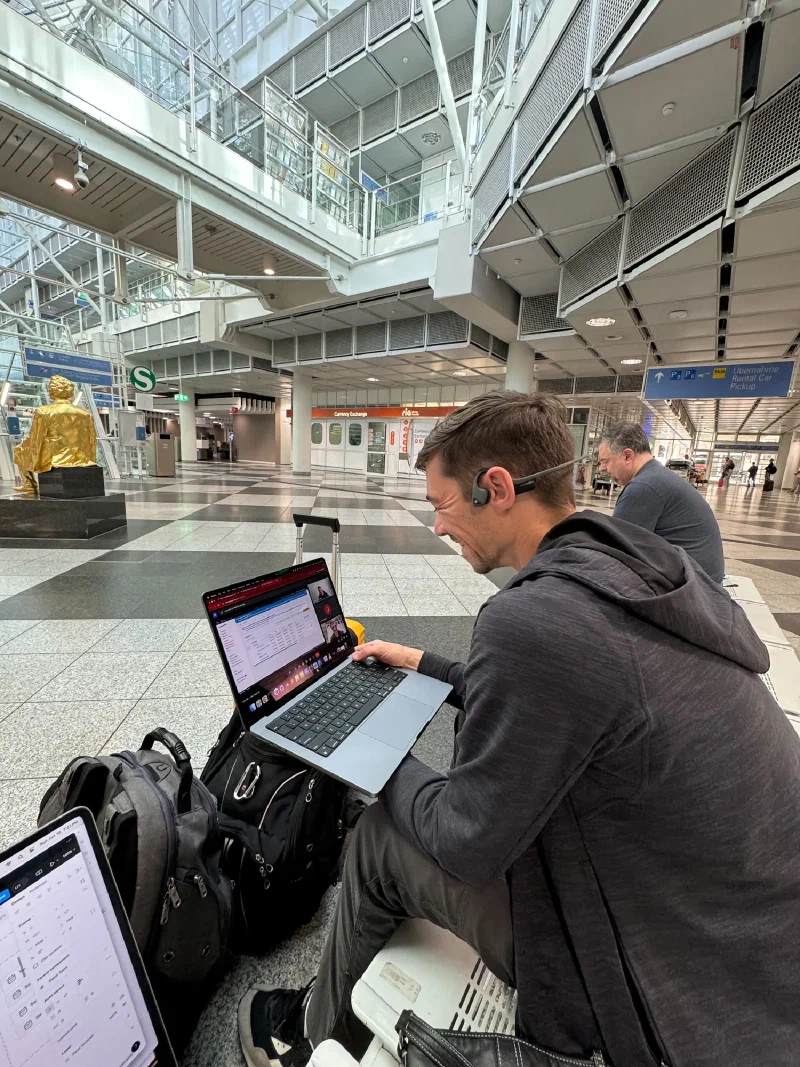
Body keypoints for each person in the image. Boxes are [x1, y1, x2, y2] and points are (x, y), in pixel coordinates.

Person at [239, 391, 800, 1067]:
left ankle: (309, 1033)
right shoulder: (635, 567)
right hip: (745, 945)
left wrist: (364, 755)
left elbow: (466, 841)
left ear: (495, 487)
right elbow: (570, 699)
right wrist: (424, 664)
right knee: (447, 791)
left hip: (653, 982)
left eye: (442, 504)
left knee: (385, 832)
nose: (438, 527)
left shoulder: (529, 619)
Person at [597, 423, 725, 583]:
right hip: (703, 580)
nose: (602, 468)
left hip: (693, 589)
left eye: (605, 461)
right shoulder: (655, 475)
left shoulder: (643, 487)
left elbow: (619, 553)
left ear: (628, 456)